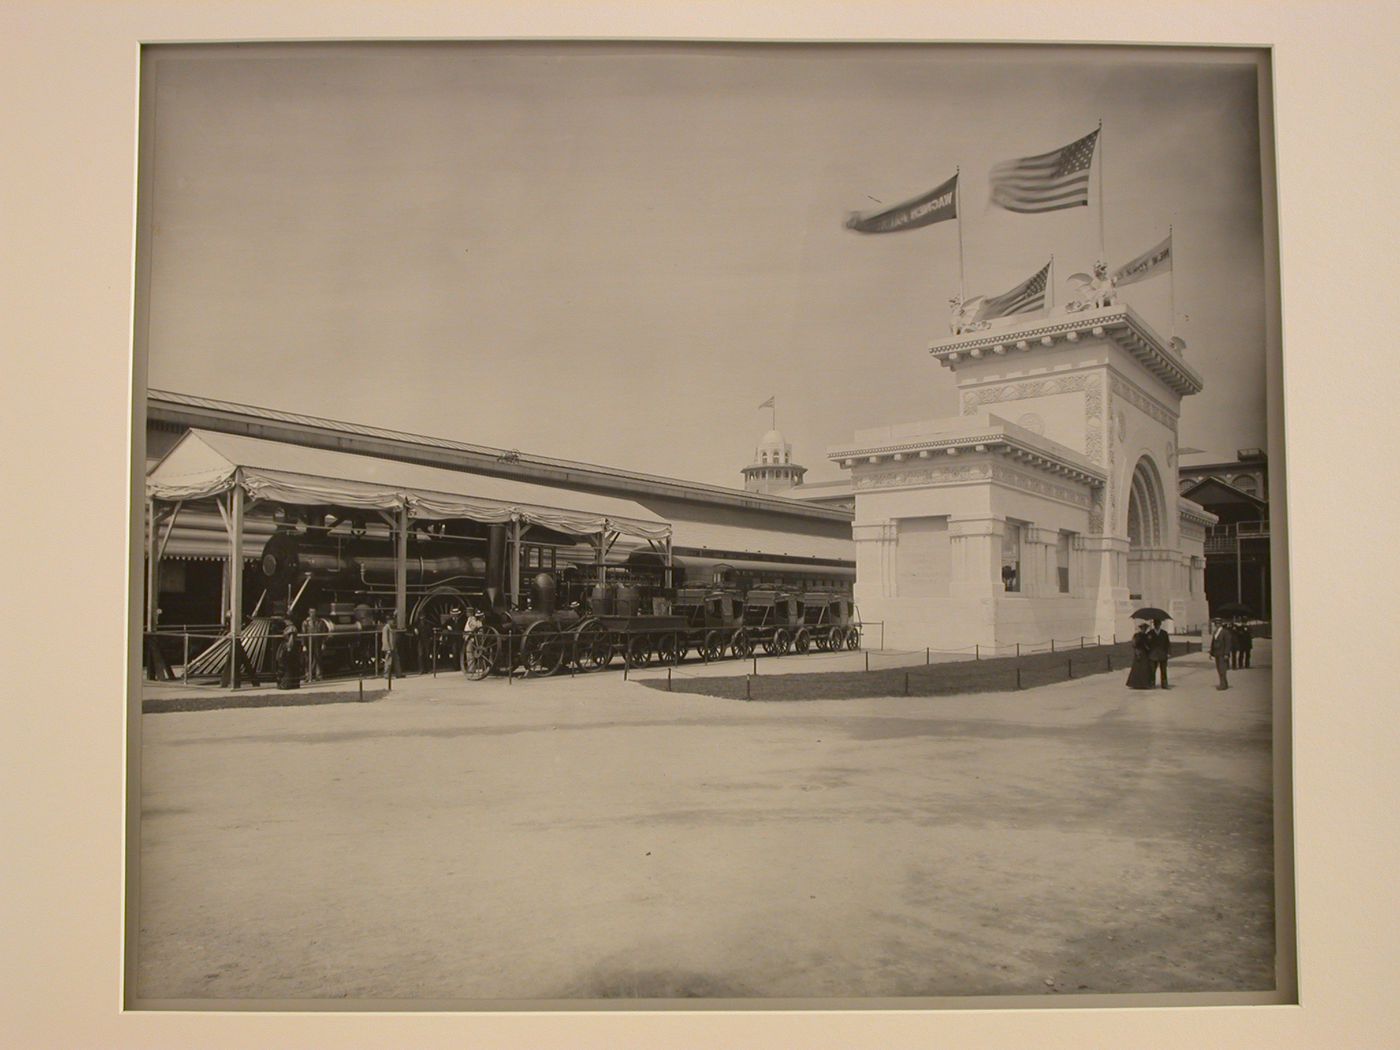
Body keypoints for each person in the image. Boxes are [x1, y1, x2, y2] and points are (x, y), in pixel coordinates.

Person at [1126, 621, 1156, 689]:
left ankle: (1145, 684)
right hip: (1139, 653)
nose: (1144, 629)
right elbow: (1134, 644)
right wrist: (1137, 651)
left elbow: (1149, 645)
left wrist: (1149, 640)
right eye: (1143, 628)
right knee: (1137, 668)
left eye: (1145, 628)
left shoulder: (1147, 636)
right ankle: (1136, 684)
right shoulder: (1137, 635)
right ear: (1141, 628)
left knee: (1145, 668)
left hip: (1145, 653)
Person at [274, 625, 303, 690]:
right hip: (285, 666)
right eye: (290, 635)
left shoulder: (297, 645)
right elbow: (279, 657)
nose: (291, 637)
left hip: (292, 665)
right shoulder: (283, 645)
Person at [1147, 618, 1172, 689]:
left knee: (1163, 670)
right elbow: (1147, 643)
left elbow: (1167, 643)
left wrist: (1168, 652)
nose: (1156, 625)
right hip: (1153, 654)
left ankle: (1164, 684)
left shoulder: (1164, 633)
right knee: (1152, 670)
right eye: (1155, 624)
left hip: (1162, 654)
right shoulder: (1150, 633)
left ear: (1160, 624)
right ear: (1153, 624)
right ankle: (1152, 683)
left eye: (1158, 623)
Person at [1208, 617, 1232, 690]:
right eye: (1216, 623)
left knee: (1222, 669)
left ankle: (1223, 685)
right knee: (1219, 669)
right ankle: (1225, 683)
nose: (1217, 625)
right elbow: (1213, 643)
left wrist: (1226, 654)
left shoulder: (1225, 632)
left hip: (1222, 653)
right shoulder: (1215, 632)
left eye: (1218, 623)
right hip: (1217, 653)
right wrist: (1211, 653)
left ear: (1221, 624)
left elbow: (1228, 643)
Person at [301, 607, 321, 681]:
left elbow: (323, 632)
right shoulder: (305, 622)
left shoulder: (319, 621)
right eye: (311, 612)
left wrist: (323, 643)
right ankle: (307, 675)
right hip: (308, 642)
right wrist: (303, 645)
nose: (313, 614)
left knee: (317, 658)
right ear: (309, 613)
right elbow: (303, 633)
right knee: (308, 659)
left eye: (314, 612)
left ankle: (318, 675)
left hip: (317, 642)